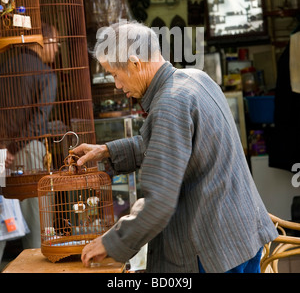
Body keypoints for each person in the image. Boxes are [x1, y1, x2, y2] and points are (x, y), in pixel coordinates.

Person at [72, 20, 278, 273]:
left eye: (115, 74)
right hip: (242, 235)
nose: (117, 85)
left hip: (214, 251)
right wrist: (108, 150)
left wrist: (111, 242)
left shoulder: (169, 103)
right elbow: (180, 144)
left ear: (135, 64)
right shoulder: (195, 78)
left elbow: (159, 201)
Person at [0, 23, 59, 262]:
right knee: (38, 223)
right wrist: (13, 148)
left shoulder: (4, 69)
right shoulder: (46, 75)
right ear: (43, 41)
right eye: (55, 43)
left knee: (2, 219)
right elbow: (38, 121)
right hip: (28, 152)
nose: (56, 51)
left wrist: (3, 147)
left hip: (0, 153)